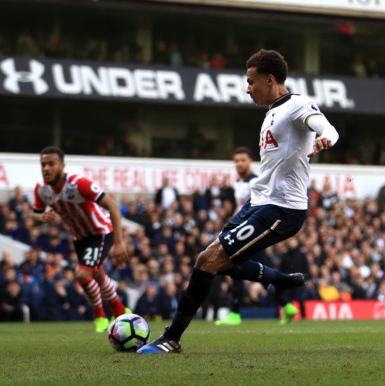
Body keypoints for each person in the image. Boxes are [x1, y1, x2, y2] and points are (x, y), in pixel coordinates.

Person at [138, 49, 339, 354]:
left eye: (251, 81)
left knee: (208, 261)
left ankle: (172, 337)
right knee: (213, 260)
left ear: (270, 80)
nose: (247, 88)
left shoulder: (297, 105)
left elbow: (326, 126)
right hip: (257, 201)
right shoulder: (272, 111)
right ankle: (279, 280)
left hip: (281, 208)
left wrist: (325, 138)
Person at [32, 146, 131, 332]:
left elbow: (113, 206)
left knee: (82, 274)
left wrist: (119, 242)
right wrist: (41, 218)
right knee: (98, 274)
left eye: (51, 164)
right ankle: (120, 310)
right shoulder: (42, 190)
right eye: (43, 164)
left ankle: (99, 316)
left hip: (100, 231)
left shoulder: (79, 184)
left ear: (62, 165)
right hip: (80, 237)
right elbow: (35, 216)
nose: (46, 168)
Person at [215, 147, 300, 326]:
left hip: (250, 231)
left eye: (243, 160)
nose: (239, 164)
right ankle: (286, 305)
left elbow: (260, 207)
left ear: (250, 162)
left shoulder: (255, 182)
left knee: (238, 264)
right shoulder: (239, 183)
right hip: (243, 230)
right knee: (261, 272)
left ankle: (235, 313)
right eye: (236, 160)